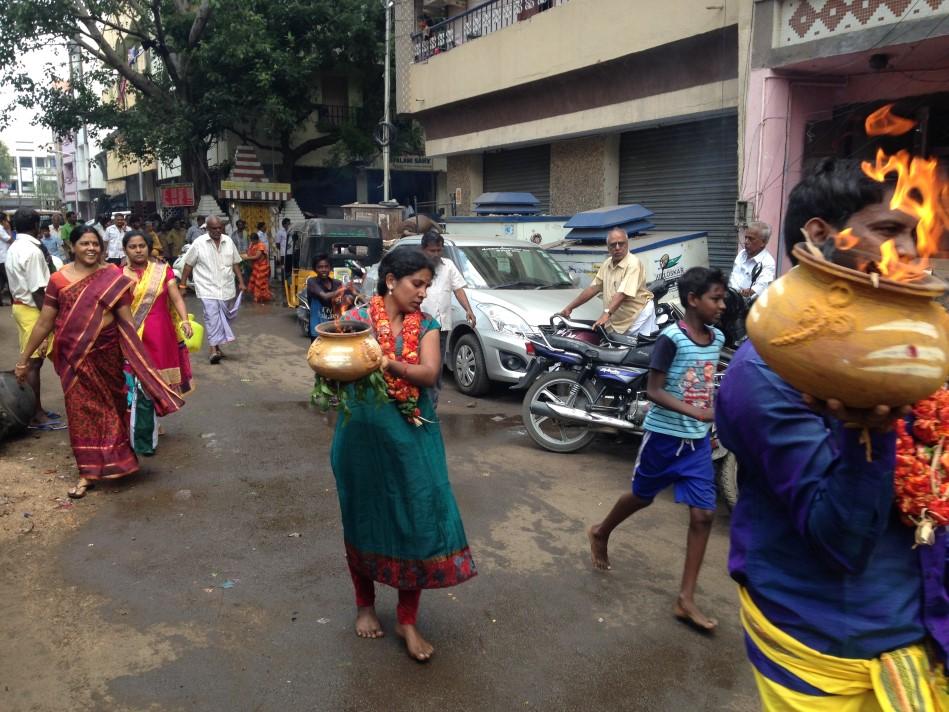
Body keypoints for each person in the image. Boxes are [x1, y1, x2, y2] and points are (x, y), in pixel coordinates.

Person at [716, 158, 949, 709]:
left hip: (921, 620)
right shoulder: (768, 370)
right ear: (821, 235)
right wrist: (868, 433)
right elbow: (839, 540)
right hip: (829, 641)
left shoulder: (911, 343)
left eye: (915, 234)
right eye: (889, 231)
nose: (913, 253)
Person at [331, 248, 476, 661]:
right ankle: (364, 605)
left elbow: (429, 373)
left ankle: (407, 619)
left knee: (416, 520)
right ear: (391, 280)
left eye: (428, 285)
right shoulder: (357, 321)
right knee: (363, 515)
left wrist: (385, 361)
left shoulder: (427, 325)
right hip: (360, 436)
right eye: (417, 283)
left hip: (413, 437)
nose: (423, 293)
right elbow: (330, 364)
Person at [588, 266, 725, 631]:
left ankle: (685, 599)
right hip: (662, 439)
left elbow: (707, 386)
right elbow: (654, 390)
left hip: (695, 442)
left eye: (723, 298)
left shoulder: (717, 338)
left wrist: (708, 423)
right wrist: (695, 410)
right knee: (642, 496)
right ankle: (601, 531)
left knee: (704, 515)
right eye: (716, 298)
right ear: (693, 300)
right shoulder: (670, 339)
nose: (722, 305)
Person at [14, 225, 184, 498]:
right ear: (72, 247)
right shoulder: (58, 280)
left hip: (108, 355)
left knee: (111, 408)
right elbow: (45, 321)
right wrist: (23, 359)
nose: (91, 248)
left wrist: (138, 355)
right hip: (73, 358)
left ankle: (119, 462)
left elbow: (126, 320)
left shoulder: (112, 277)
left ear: (102, 248)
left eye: (95, 244)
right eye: (84, 243)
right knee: (80, 415)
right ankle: (87, 473)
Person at [123, 230, 194, 455]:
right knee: (133, 380)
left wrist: (184, 320)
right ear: (125, 250)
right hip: (131, 335)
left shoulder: (163, 271)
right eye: (133, 246)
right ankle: (138, 422)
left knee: (155, 379)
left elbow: (175, 297)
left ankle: (151, 418)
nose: (138, 250)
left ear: (149, 247)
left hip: (159, 334)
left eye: (141, 246)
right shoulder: (117, 274)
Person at [6, 209, 58, 428]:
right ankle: (36, 413)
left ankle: (37, 409)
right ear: (36, 224)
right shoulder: (31, 250)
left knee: (34, 360)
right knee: (34, 363)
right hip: (33, 309)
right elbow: (39, 290)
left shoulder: (15, 246)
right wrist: (52, 319)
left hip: (21, 306)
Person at [560, 227, 657, 336]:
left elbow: (622, 293)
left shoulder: (633, 263)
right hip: (618, 321)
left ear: (627, 244)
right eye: (613, 245)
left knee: (642, 351)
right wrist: (569, 308)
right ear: (608, 247)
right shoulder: (607, 264)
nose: (617, 248)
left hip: (639, 317)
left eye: (621, 244)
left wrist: (606, 314)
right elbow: (593, 288)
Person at [418, 230, 476, 404]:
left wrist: (469, 310)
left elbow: (458, 289)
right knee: (417, 365)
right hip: (417, 326)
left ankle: (432, 404)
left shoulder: (448, 266)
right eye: (432, 251)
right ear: (423, 250)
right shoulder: (414, 267)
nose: (436, 254)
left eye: (439, 250)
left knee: (436, 368)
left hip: (440, 327)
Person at [180, 215, 246, 364]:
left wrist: (241, 281)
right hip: (207, 287)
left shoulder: (228, 241)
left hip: (227, 288)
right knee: (211, 317)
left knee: (223, 320)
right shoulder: (198, 243)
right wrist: (182, 285)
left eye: (219, 228)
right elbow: (188, 265)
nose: (217, 231)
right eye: (214, 228)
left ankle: (217, 347)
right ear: (207, 229)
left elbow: (235, 263)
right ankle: (212, 349)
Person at [305, 254, 353, 338]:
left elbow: (352, 296)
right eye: (320, 267)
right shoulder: (312, 282)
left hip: (334, 327)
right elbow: (325, 296)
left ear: (330, 268)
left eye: (326, 266)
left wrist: (353, 294)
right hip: (317, 327)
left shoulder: (337, 283)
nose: (323, 269)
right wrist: (342, 289)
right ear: (315, 269)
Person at [727, 221, 775, 300]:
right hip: (733, 299)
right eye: (746, 237)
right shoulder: (742, 254)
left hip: (751, 305)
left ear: (763, 242)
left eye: (751, 239)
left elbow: (763, 284)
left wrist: (752, 290)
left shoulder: (768, 261)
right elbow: (734, 276)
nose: (746, 242)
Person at [246, 232, 272, 303]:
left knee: (260, 282)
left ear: (256, 239)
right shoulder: (252, 244)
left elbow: (257, 256)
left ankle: (258, 298)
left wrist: (246, 258)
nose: (252, 242)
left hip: (263, 267)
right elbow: (249, 253)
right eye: (251, 240)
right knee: (254, 282)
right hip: (256, 266)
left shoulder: (261, 245)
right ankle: (261, 297)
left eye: (252, 240)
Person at [0, 212, 14, 305]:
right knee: (10, 280)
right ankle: (13, 302)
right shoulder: (1, 229)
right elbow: (11, 240)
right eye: (6, 220)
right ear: (3, 221)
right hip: (4, 258)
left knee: (1, 282)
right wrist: (9, 229)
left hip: (2, 258)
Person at [276, 217, 292, 285]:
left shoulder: (291, 231)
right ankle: (283, 281)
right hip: (284, 253)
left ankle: (289, 281)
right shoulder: (280, 232)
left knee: (290, 267)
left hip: (291, 252)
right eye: (288, 224)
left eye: (289, 223)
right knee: (283, 267)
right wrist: (283, 249)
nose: (289, 225)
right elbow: (277, 243)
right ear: (284, 224)